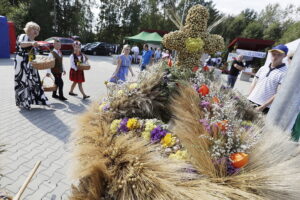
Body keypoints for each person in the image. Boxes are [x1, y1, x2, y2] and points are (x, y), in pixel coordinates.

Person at [14, 21, 49, 110]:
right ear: (29, 29)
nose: (36, 31)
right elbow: (21, 44)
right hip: (21, 62)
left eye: (37, 29)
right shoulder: (23, 36)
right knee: (23, 81)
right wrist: (32, 43)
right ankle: (23, 102)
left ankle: (39, 100)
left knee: (35, 80)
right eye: (34, 29)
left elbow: (34, 54)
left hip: (31, 63)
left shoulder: (34, 41)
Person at [247, 44, 288, 114]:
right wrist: (248, 97)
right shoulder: (263, 68)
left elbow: (278, 93)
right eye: (273, 54)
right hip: (250, 100)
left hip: (263, 107)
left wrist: (262, 107)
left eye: (279, 55)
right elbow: (254, 83)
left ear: (285, 56)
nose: (275, 57)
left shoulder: (285, 73)